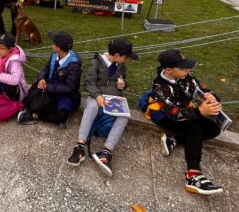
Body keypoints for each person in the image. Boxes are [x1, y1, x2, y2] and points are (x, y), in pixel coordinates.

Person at [145, 49, 223, 195]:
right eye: (183, 68)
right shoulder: (159, 87)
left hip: (186, 110)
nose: (188, 70)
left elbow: (201, 88)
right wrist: (200, 112)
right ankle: (193, 175)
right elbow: (174, 114)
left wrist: (211, 96)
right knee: (194, 126)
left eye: (187, 66)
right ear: (168, 70)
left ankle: (173, 139)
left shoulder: (186, 75)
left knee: (214, 129)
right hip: (164, 116)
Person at [66, 38, 139, 178]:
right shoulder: (96, 63)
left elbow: (124, 79)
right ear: (117, 55)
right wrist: (98, 96)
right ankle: (80, 147)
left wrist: (123, 85)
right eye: (126, 57)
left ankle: (106, 152)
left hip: (114, 98)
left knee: (124, 116)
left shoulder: (121, 65)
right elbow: (89, 83)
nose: (127, 60)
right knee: (91, 107)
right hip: (97, 96)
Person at [17, 31, 82, 126]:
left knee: (61, 115)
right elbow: (46, 69)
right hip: (49, 87)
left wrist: (48, 87)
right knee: (31, 96)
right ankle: (30, 110)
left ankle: (36, 115)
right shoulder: (54, 55)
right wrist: (41, 79)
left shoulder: (74, 65)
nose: (52, 44)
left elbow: (70, 88)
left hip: (65, 95)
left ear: (59, 48)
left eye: (53, 43)